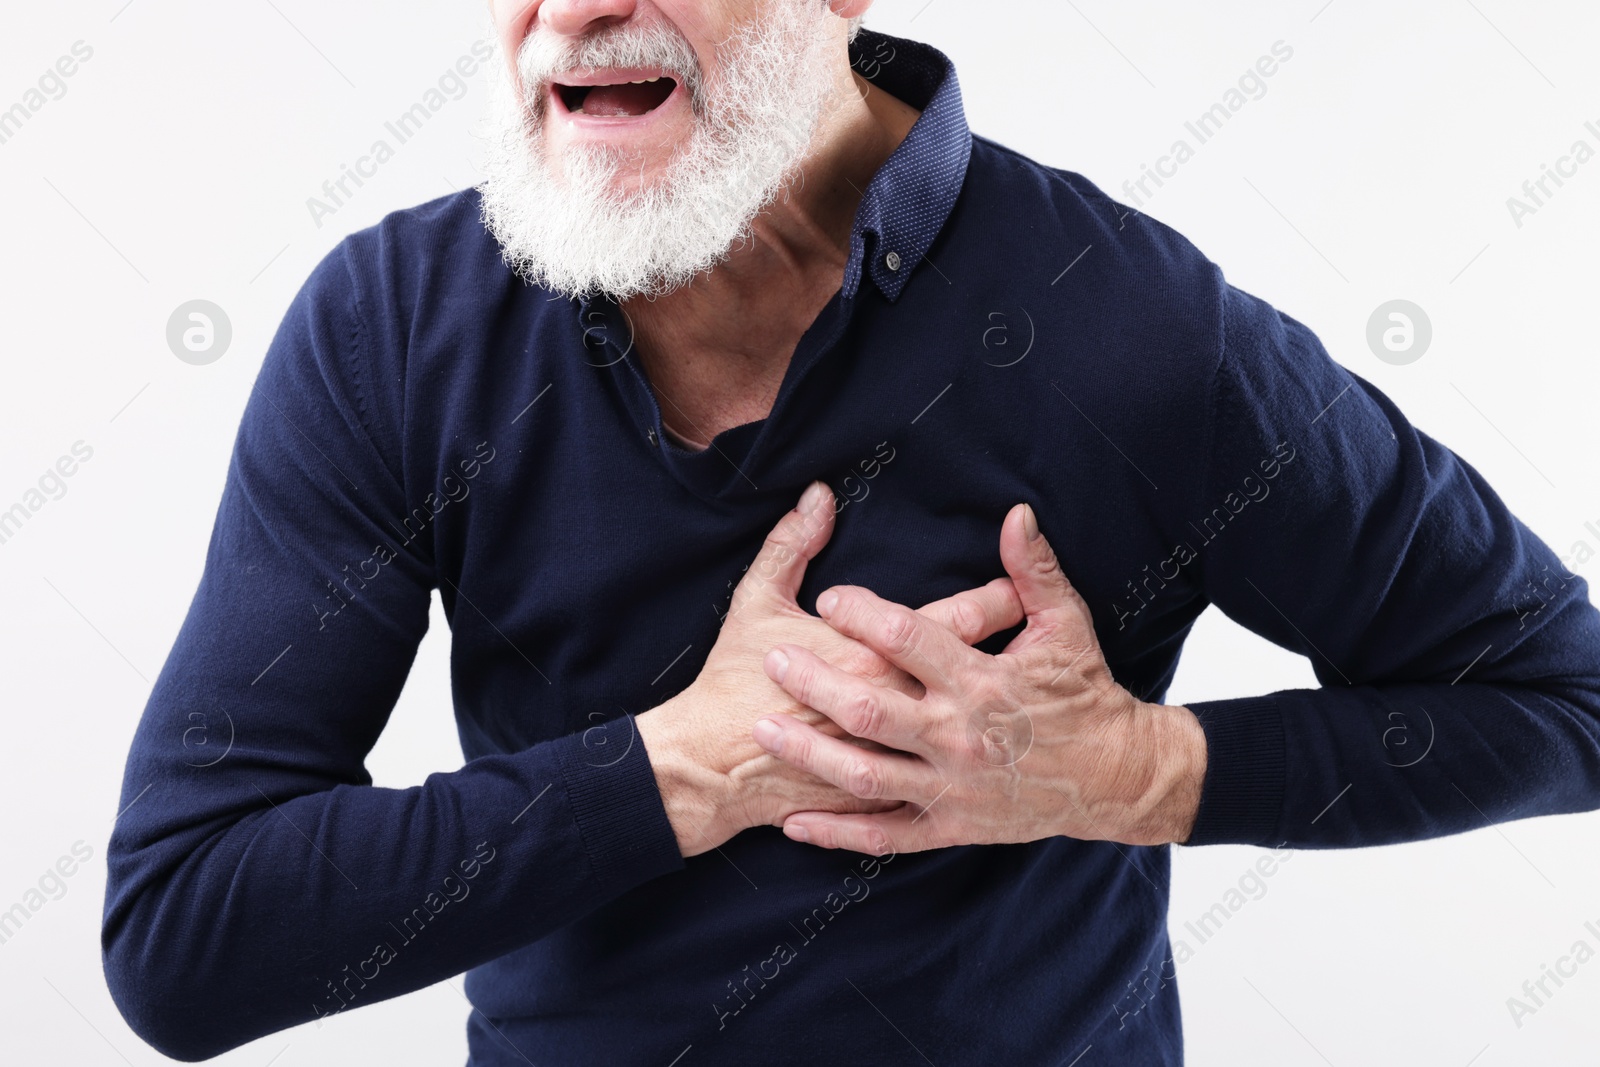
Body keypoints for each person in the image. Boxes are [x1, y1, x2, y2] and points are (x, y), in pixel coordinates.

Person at [102, 1, 1600, 1063]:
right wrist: (688, 766)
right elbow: (183, 938)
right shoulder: (394, 329)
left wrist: (1134, 771)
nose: (578, 10)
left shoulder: (1134, 333)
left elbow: (1566, 700)